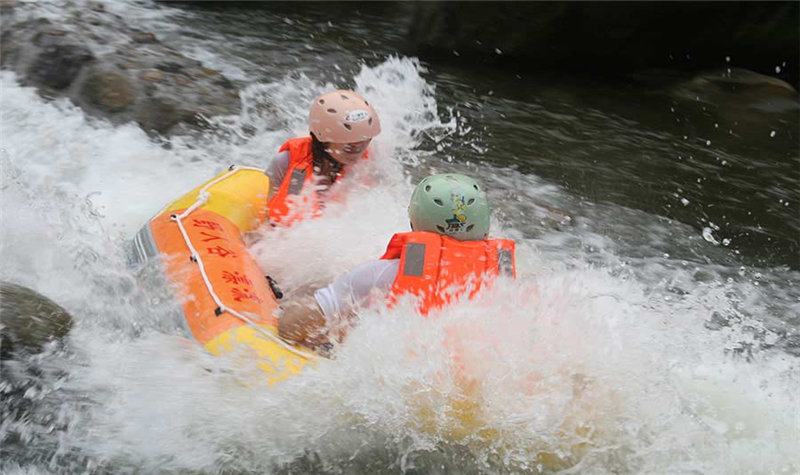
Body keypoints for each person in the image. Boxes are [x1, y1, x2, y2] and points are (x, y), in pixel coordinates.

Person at [277, 173, 516, 352]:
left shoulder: (379, 275)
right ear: (485, 224)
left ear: (415, 221)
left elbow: (290, 327)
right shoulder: (503, 281)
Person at [265, 89, 381, 225]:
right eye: (349, 144)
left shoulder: (370, 161)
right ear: (323, 138)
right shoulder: (286, 161)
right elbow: (269, 216)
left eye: (365, 141)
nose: (358, 149)